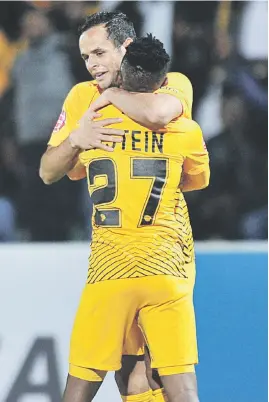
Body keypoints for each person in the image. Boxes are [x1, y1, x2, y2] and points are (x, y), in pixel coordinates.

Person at [41, 33, 210, 402]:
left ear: (125, 49)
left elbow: (66, 172)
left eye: (100, 53)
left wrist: (95, 121)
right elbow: (195, 180)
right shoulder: (183, 122)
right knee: (156, 378)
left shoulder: (97, 112)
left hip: (110, 269)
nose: (92, 64)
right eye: (85, 56)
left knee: (90, 381)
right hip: (166, 265)